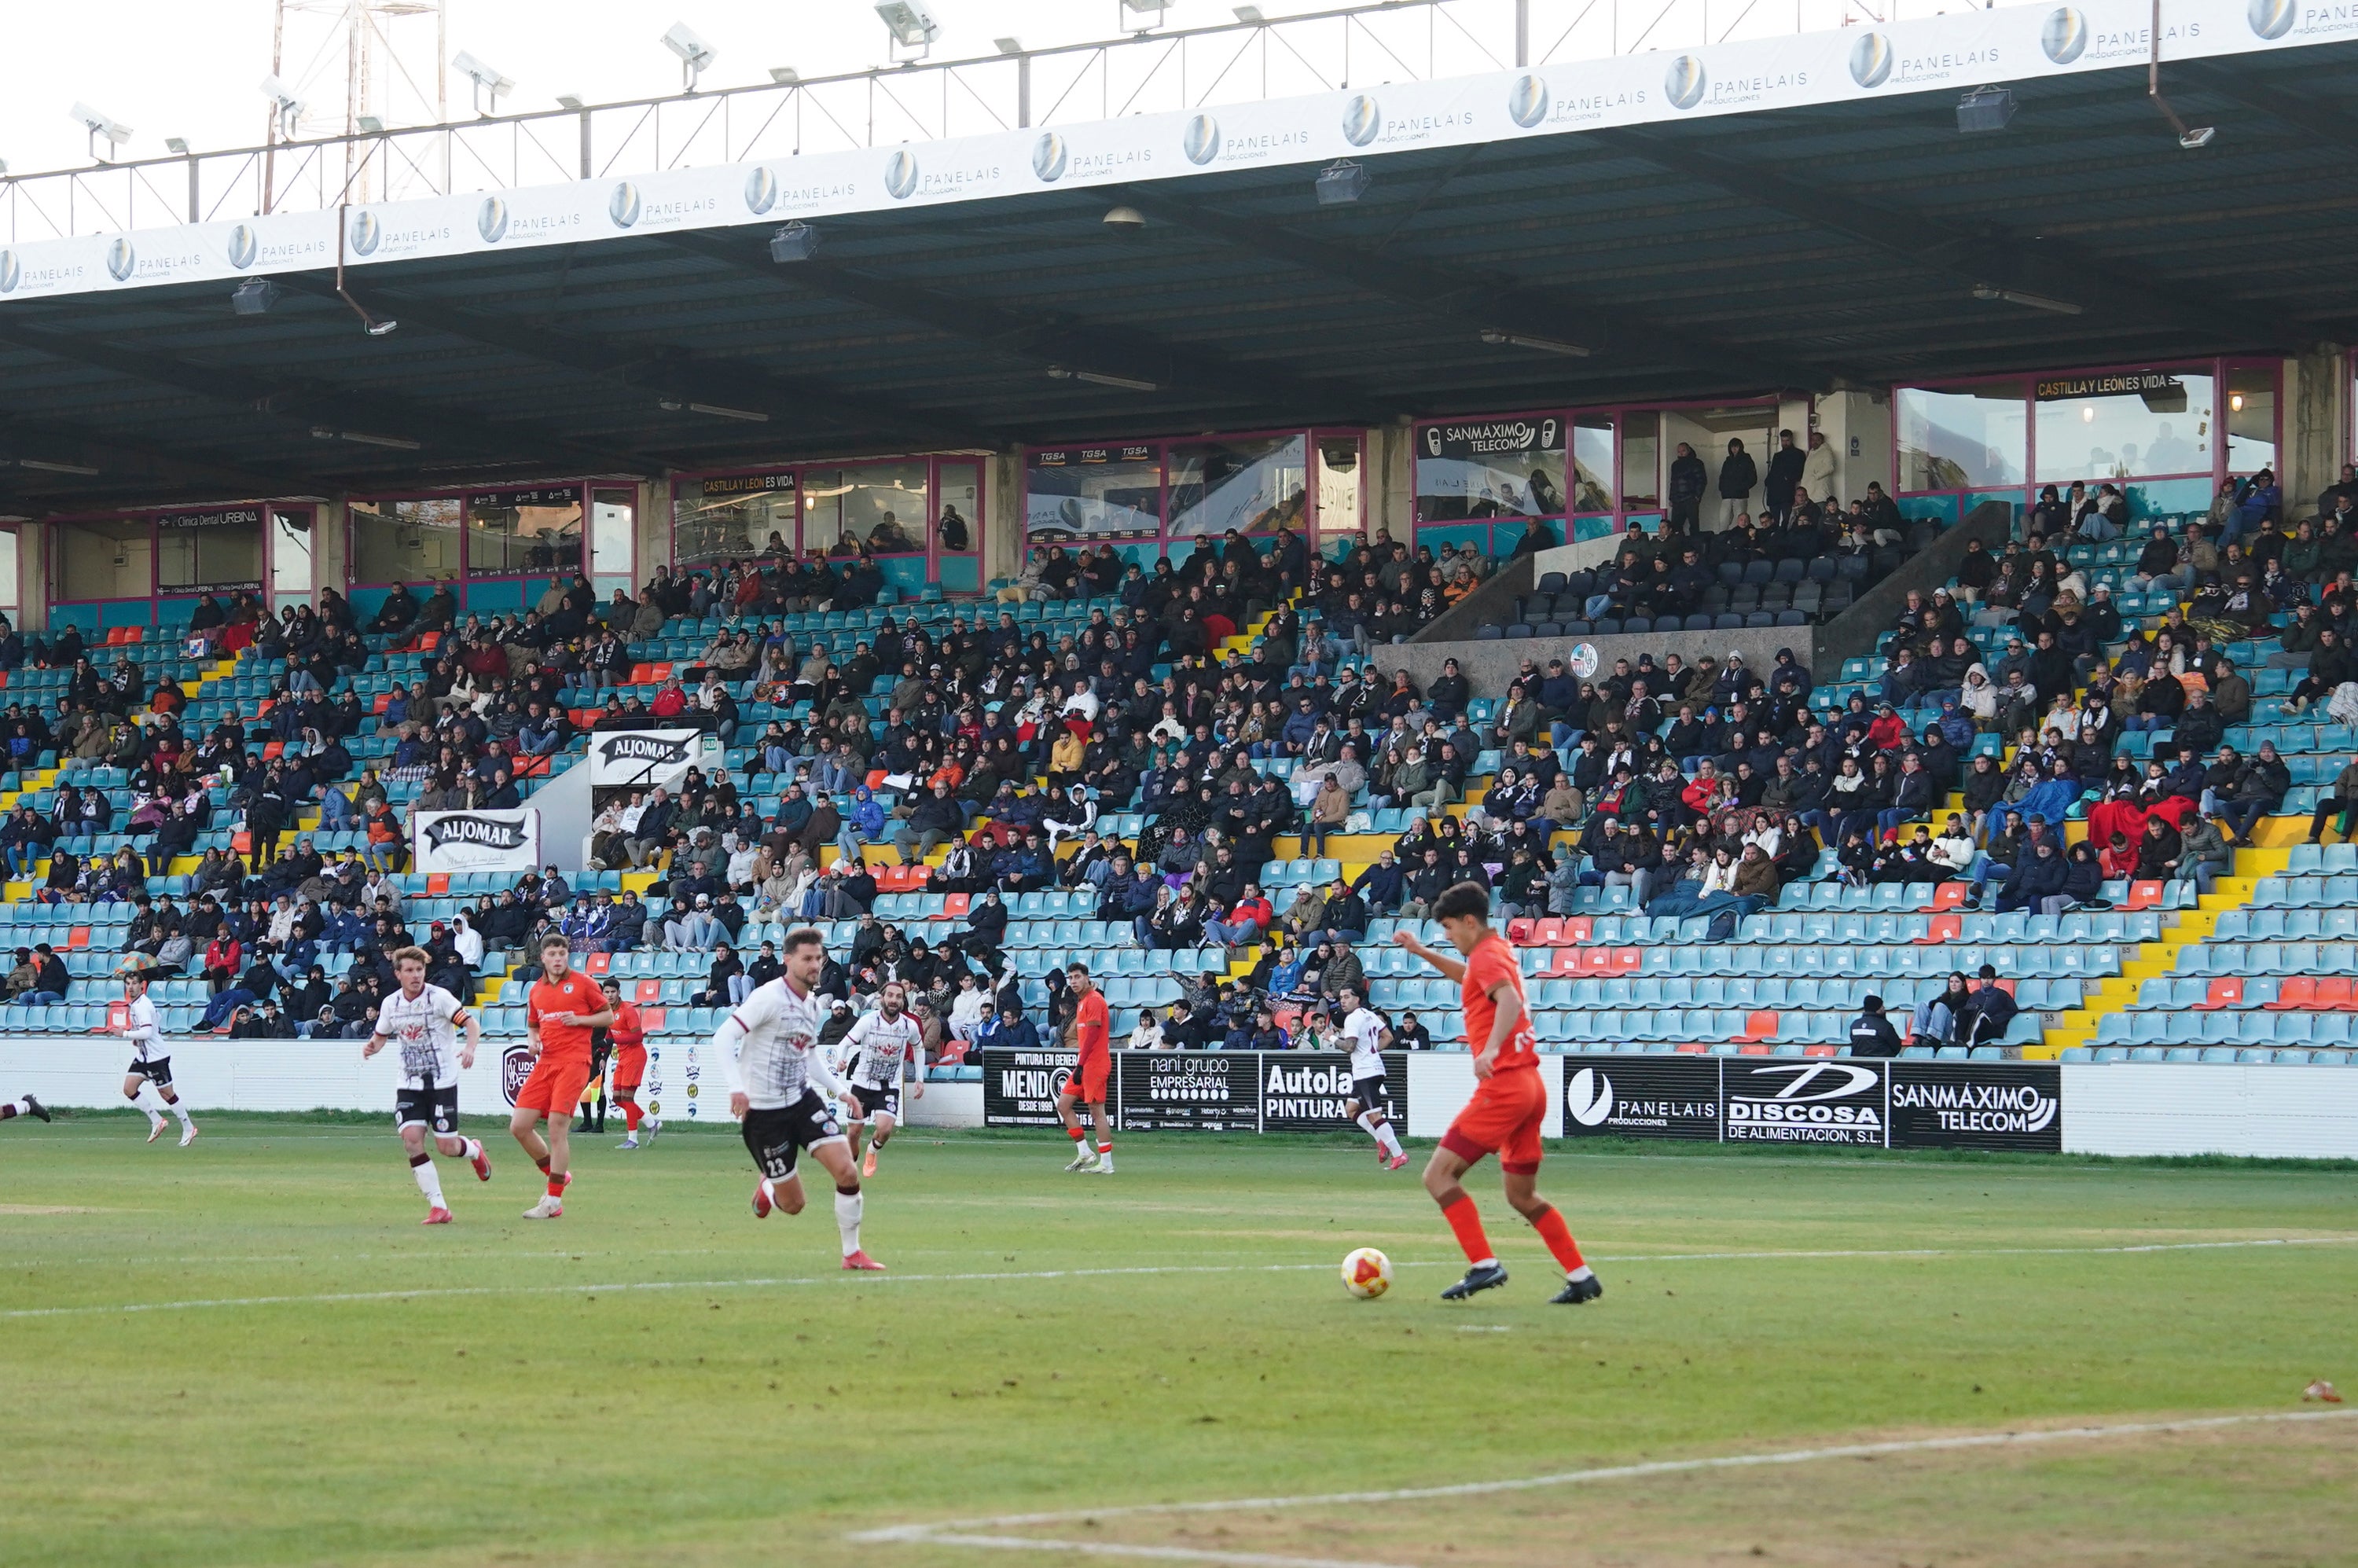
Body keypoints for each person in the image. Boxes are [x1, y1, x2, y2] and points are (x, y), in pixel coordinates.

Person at [1393, 881, 1599, 1305]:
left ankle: (1484, 1264)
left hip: (1504, 1085)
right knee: (1521, 1195)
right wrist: (1422, 953)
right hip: (1530, 1086)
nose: (1447, 936)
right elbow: (1474, 980)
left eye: (1449, 928)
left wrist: (1488, 1050)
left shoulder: (1486, 955)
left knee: (1437, 1175)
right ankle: (1581, 1275)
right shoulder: (1495, 950)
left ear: (1470, 921)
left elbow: (1508, 1002)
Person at [713, 927, 883, 1270]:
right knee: (794, 1205)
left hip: (802, 1101)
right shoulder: (768, 998)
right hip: (764, 1113)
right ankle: (770, 1189)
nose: (814, 965)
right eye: (807, 958)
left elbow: (809, 1057)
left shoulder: (811, 1005)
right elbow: (723, 1036)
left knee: (847, 1172)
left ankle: (852, 1254)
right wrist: (736, 1087)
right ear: (788, 960)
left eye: (819, 958)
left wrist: (842, 1091)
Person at [360, 946, 492, 1224]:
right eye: (409, 970)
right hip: (409, 1082)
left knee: (447, 1147)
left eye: (420, 970)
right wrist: (373, 1046)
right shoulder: (390, 1004)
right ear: (398, 974)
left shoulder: (439, 998)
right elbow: (381, 1034)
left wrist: (470, 1048)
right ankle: (439, 1206)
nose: (416, 975)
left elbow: (471, 1025)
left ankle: (473, 1150)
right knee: (411, 1141)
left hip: (442, 1081)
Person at [513, 934, 614, 1220]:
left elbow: (609, 1018)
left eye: (562, 953)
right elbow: (533, 1025)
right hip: (546, 1062)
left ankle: (553, 1201)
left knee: (557, 1126)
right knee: (519, 1126)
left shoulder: (584, 983)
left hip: (574, 1061)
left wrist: (580, 1019)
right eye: (552, 954)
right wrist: (532, 1041)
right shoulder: (536, 990)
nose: (558, 959)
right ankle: (557, 1174)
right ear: (542, 958)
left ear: (568, 955)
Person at [841, 979, 926, 1177]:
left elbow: (919, 1047)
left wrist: (920, 1079)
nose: (894, 1000)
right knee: (853, 1133)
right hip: (862, 1084)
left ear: (903, 1002)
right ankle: (849, 1169)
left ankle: (872, 1151)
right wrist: (841, 1059)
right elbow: (844, 1043)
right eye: (890, 995)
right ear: (882, 998)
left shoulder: (909, 1025)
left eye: (898, 996)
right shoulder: (868, 1021)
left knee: (885, 1128)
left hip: (889, 1085)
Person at [108, 971, 196, 1147]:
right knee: (129, 1088)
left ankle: (189, 1127)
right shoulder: (136, 1004)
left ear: (142, 985)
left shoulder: (142, 1005)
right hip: (143, 1057)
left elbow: (148, 1032)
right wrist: (137, 1038)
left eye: (134, 983)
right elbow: (157, 1020)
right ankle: (157, 1121)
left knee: (167, 1094)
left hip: (156, 1057)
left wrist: (125, 1034)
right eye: (128, 983)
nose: (131, 987)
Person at [1336, 983, 1407, 1170]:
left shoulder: (1352, 1019)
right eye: (1341, 998)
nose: (1343, 1001)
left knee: (1374, 1115)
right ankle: (1380, 1139)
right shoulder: (1370, 1015)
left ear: (1357, 999)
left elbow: (1350, 1046)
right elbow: (1388, 1037)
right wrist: (1372, 1052)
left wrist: (1332, 1038)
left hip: (1366, 1072)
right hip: (1373, 1069)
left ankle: (1399, 1154)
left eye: (1347, 997)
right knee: (1351, 1109)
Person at [1056, 961, 1115, 1174]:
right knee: (1063, 1104)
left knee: (1097, 1111)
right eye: (1070, 978)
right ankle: (1084, 1152)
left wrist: (1080, 1064)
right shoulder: (1082, 1002)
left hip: (1094, 1063)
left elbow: (1091, 1037)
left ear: (1087, 977)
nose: (1073, 981)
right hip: (1085, 1063)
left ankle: (1107, 1163)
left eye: (1077, 977)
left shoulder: (1095, 1001)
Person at [600, 977, 660, 1151]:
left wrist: (617, 1039)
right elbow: (610, 1035)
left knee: (627, 1098)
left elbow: (638, 1036)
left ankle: (633, 1140)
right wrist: (604, 1057)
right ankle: (651, 1122)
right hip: (622, 1057)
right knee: (618, 1099)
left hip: (635, 1056)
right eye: (607, 992)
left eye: (613, 992)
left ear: (619, 993)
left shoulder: (628, 1011)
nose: (610, 995)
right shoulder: (608, 1011)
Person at [1848, 994, 1902, 1059]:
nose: (1884, 1008)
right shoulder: (1885, 1026)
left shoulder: (1855, 1024)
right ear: (1877, 1008)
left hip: (1858, 1065)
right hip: (1880, 1065)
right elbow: (1896, 1046)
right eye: (1882, 1006)